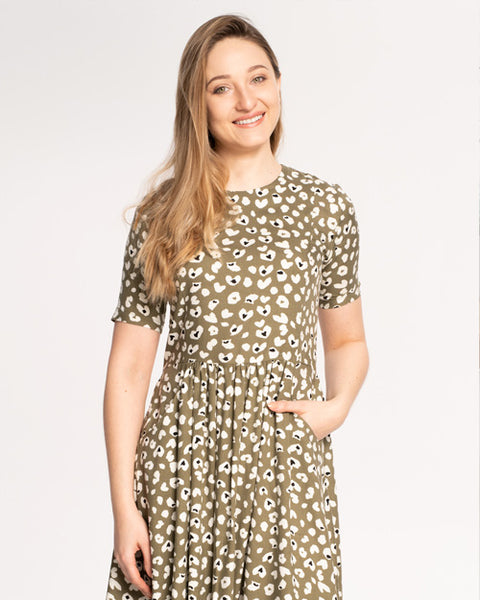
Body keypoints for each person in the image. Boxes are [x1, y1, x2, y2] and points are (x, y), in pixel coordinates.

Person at [104, 13, 369, 600]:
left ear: (279, 83)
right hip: (183, 468)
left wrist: (336, 407)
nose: (246, 101)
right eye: (221, 87)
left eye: (258, 78)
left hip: (285, 464)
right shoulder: (163, 215)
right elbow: (129, 367)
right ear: (196, 105)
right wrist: (125, 508)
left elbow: (347, 338)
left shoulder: (326, 209)